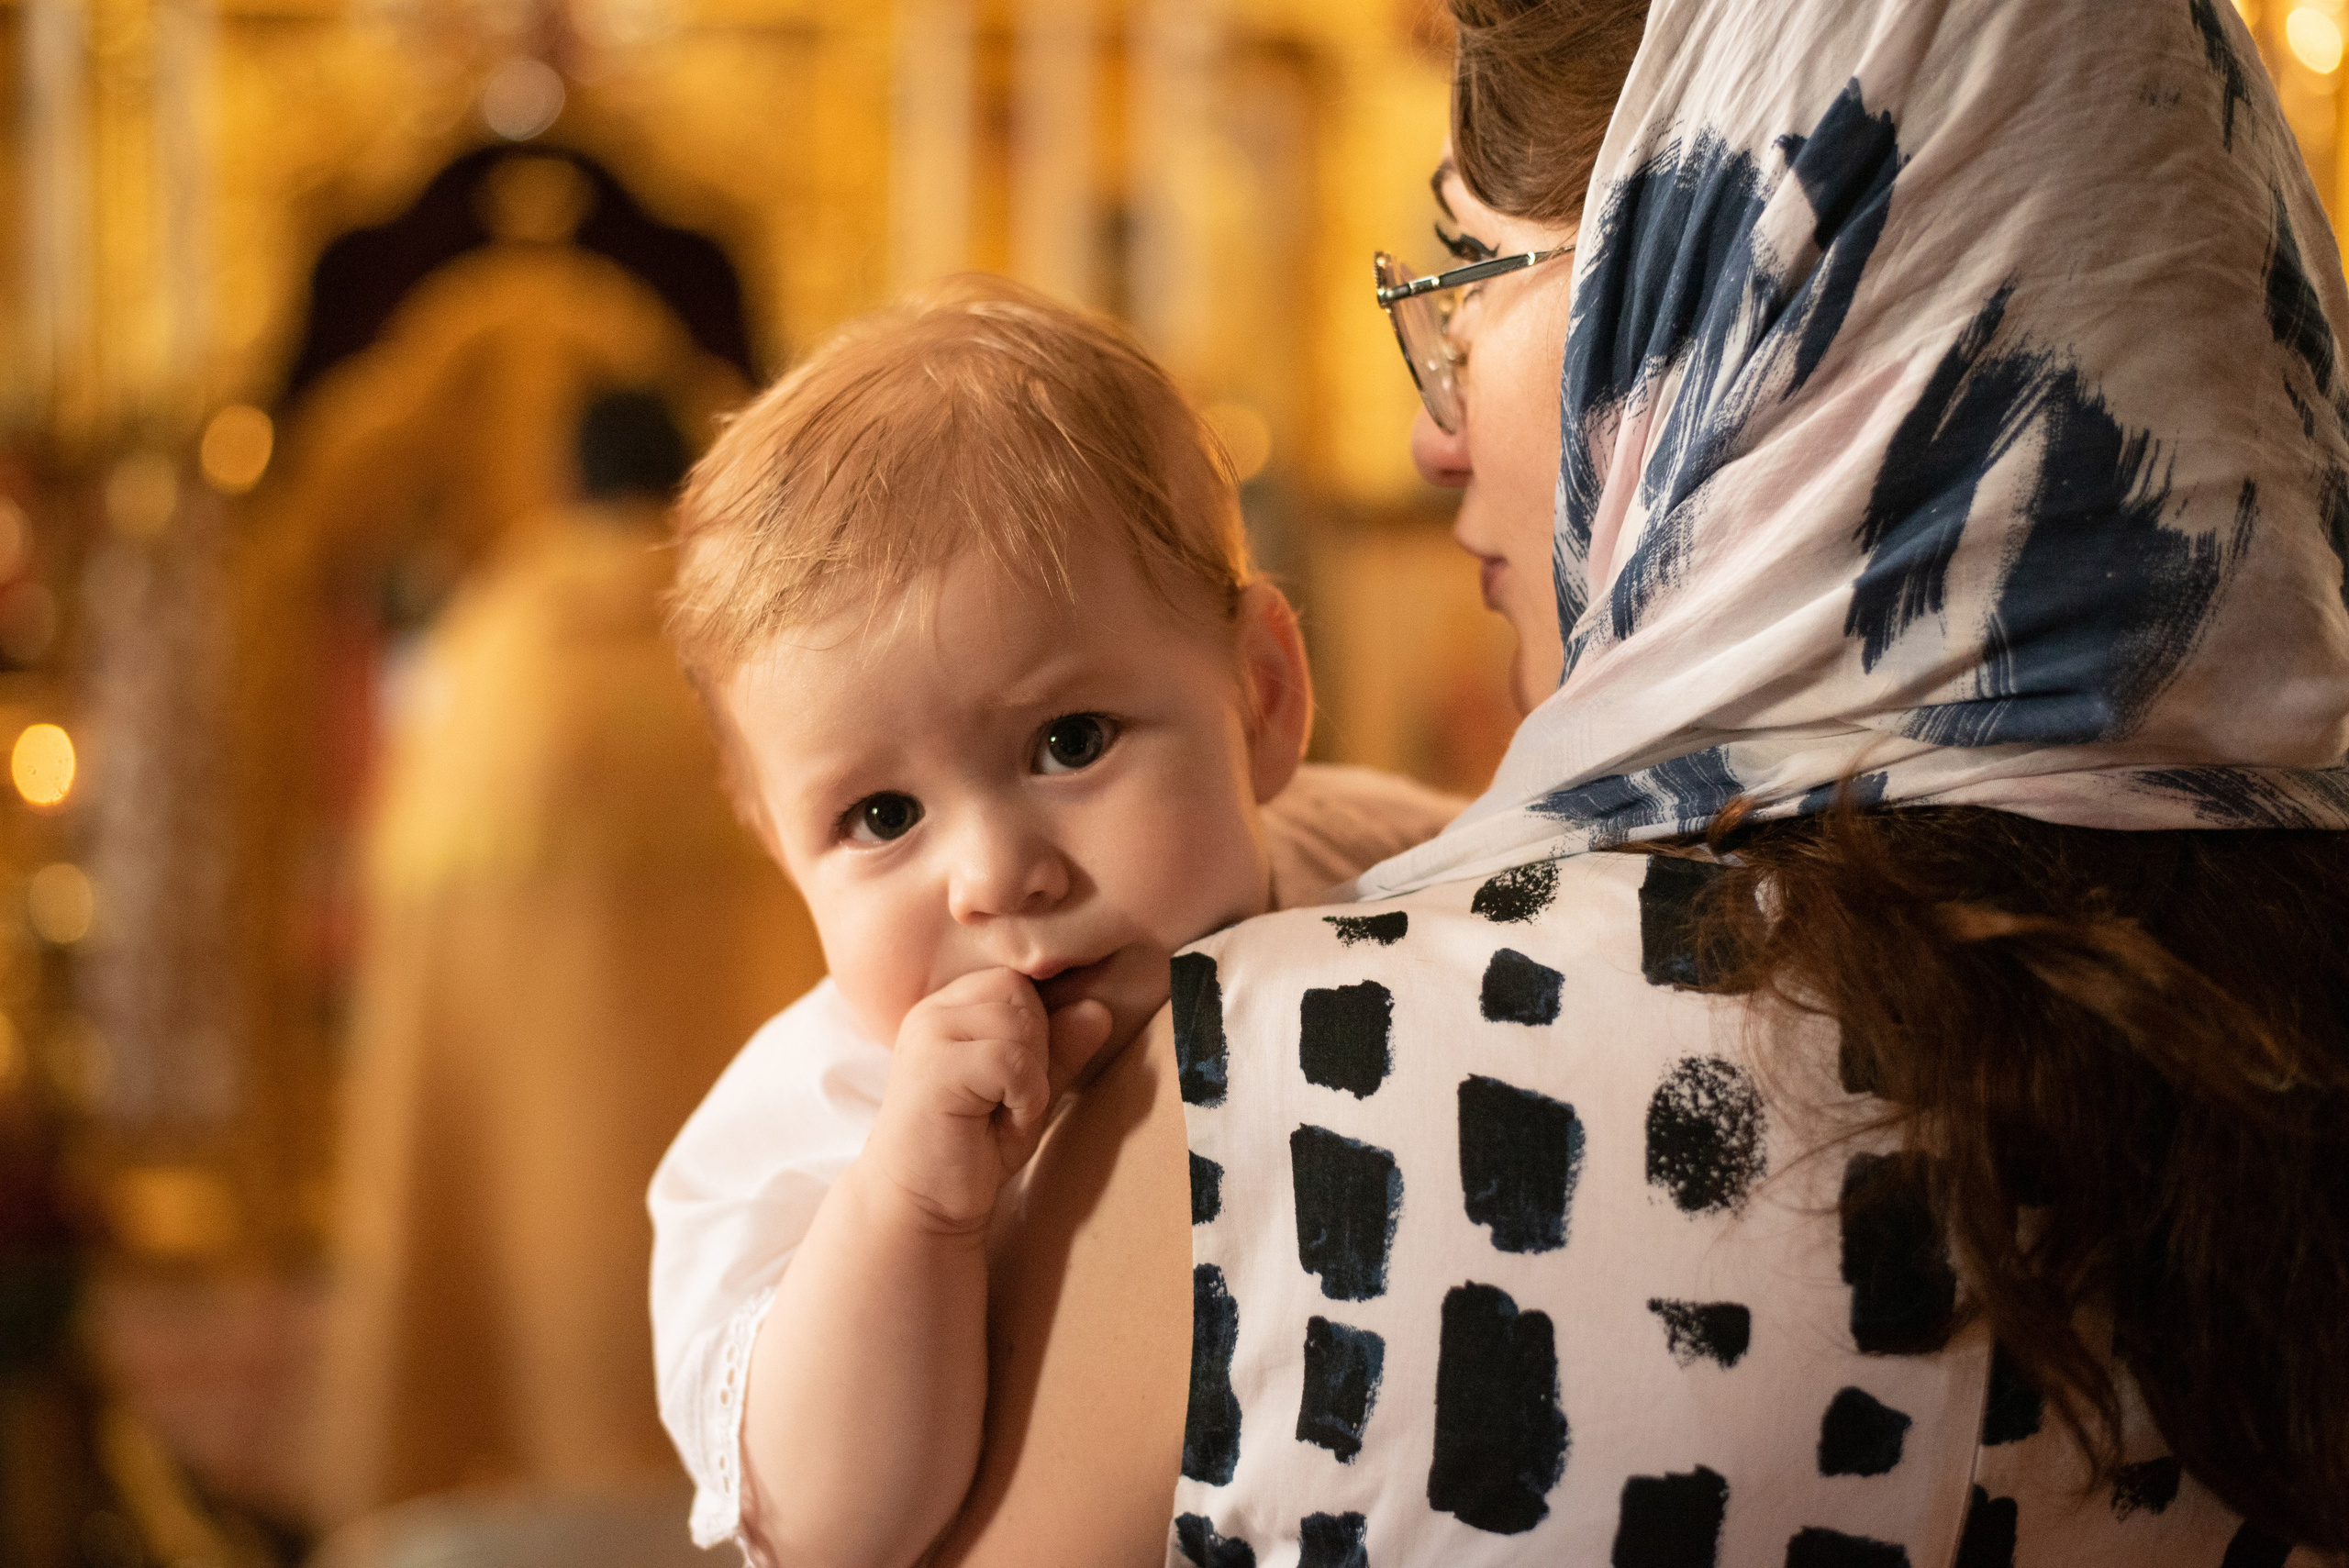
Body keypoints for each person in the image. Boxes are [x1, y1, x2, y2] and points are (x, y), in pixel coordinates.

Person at [921, 0, 2349, 1563]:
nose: (1431, 435)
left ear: (1734, 293)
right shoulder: (2300, 1023)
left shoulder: (1284, 1097)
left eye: (1470, 279)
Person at [643, 282, 1462, 1567]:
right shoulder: (813, 1123)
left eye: (1069, 742)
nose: (992, 875)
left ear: (1260, 696)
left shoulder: (1370, 853)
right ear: (783, 860)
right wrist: (913, 1212)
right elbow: (833, 1531)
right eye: (880, 816)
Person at [317, 392, 828, 1520]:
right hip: (749, 1221)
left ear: (567, 483)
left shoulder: (488, 655)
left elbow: (404, 937)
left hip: (520, 1207)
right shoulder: (756, 645)